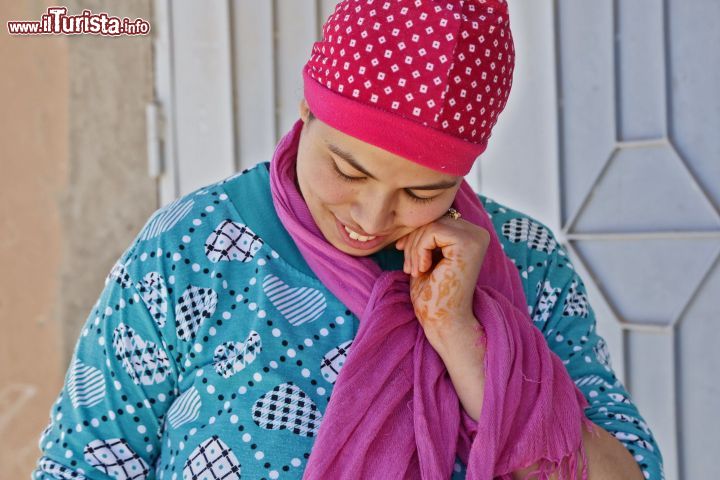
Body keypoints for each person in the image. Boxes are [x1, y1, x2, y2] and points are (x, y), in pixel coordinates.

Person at [33, 1, 664, 479]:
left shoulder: (526, 263)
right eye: (349, 169)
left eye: (423, 191)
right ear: (306, 112)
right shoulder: (191, 248)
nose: (372, 215)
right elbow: (84, 462)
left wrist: (465, 340)